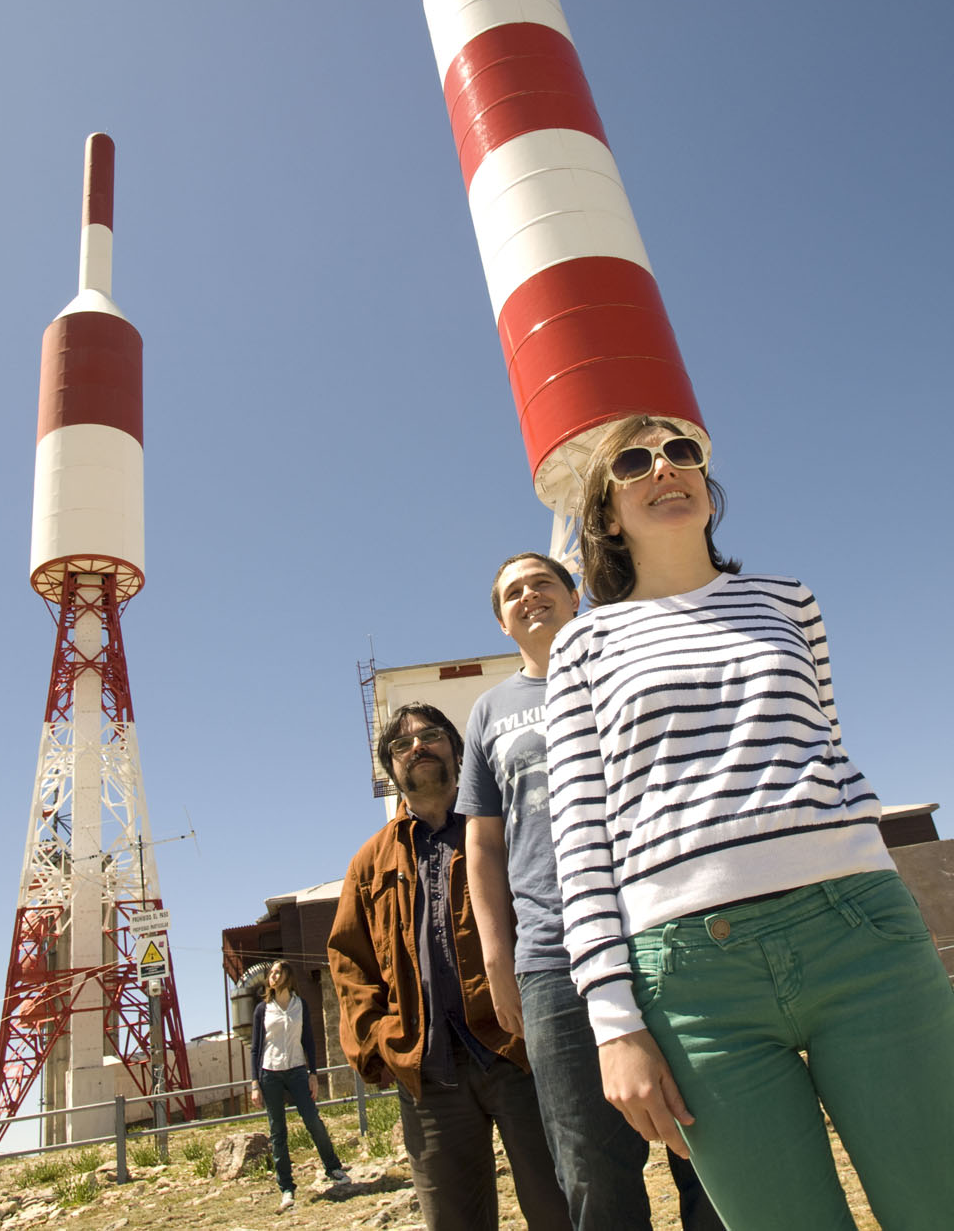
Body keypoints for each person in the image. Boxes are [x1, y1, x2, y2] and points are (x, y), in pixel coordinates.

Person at [545, 412, 954, 1231]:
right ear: (606, 515)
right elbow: (580, 839)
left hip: (859, 930)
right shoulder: (582, 645)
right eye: (634, 461)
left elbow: (825, 742)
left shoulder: (788, 600)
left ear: (706, 482)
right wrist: (614, 1021)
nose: (666, 467)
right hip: (691, 976)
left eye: (682, 452)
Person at [458, 551, 723, 1231]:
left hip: (663, 927)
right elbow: (483, 845)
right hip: (552, 957)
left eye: (542, 582)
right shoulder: (489, 712)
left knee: (712, 1143)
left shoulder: (625, 668)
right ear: (502, 621)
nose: (529, 595)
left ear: (575, 595)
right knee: (589, 1166)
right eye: (513, 592)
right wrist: (497, 956)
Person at [328, 702, 571, 1231]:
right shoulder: (369, 863)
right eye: (401, 744)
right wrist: (379, 1041)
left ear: (458, 753)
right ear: (391, 769)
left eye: (431, 735)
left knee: (560, 1208)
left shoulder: (501, 827)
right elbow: (348, 961)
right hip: (429, 1071)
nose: (417, 746)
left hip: (519, 1053)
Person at [249, 960, 350, 1212]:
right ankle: (286, 1188)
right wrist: (254, 1083)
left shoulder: (300, 1005)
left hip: (296, 1071)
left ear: (288, 976)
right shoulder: (262, 1009)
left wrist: (313, 1073)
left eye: (277, 972)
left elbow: (309, 1041)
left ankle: (333, 1168)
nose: (272, 976)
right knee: (278, 1131)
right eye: (271, 973)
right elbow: (255, 1048)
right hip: (270, 1074)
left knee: (312, 1120)